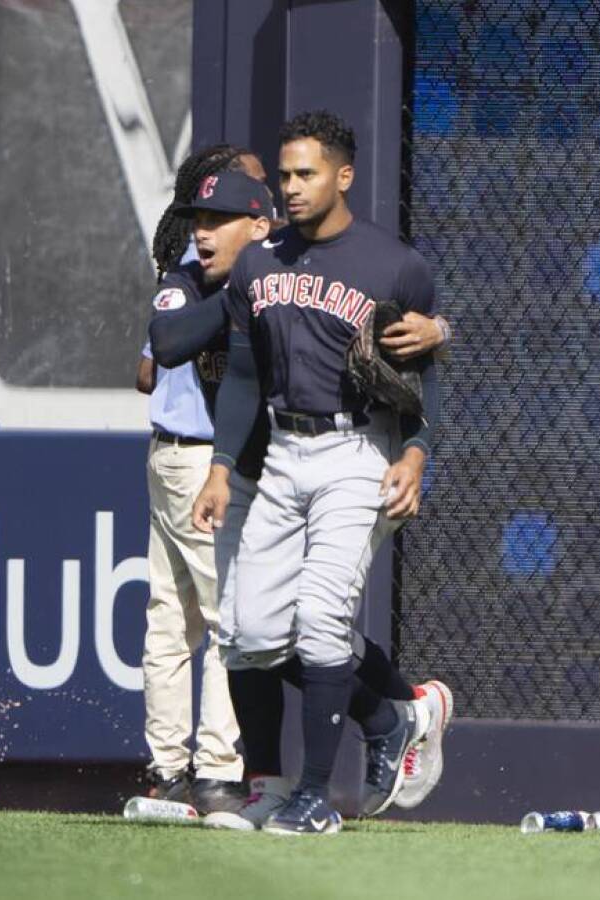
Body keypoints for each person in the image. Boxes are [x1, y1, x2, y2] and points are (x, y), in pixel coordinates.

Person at [192, 110, 443, 835]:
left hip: (356, 453)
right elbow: (241, 375)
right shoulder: (259, 261)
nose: (293, 187)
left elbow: (429, 374)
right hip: (281, 451)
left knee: (322, 618)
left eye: (306, 174)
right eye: (287, 173)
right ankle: (387, 720)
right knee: (248, 631)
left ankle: (313, 797)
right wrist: (217, 466)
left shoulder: (395, 266)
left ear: (343, 175)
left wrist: (417, 453)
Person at [134, 145, 271, 815]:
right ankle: (215, 768)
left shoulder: (199, 271)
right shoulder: (191, 272)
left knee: (171, 618)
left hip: (171, 452)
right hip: (196, 459)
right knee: (219, 617)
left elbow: (142, 374)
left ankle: (166, 768)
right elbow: (159, 351)